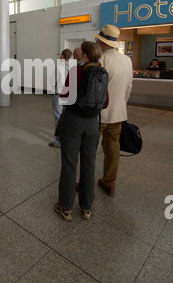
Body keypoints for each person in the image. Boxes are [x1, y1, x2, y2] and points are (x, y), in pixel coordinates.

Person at [54, 41, 109, 222]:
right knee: (89, 165)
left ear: (85, 56)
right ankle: (86, 208)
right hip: (93, 123)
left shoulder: (77, 71)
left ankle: (66, 207)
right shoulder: (102, 73)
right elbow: (105, 103)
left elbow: (64, 96)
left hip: (74, 122)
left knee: (70, 164)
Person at [94, 25, 133, 197]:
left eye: (97, 40)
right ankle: (109, 184)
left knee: (90, 150)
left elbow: (94, 90)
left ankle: (87, 184)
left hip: (99, 115)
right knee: (112, 150)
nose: (96, 42)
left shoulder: (101, 60)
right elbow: (129, 86)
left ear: (101, 43)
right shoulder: (127, 60)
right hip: (118, 114)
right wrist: (121, 105)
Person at [49, 49, 73, 149]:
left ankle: (58, 142)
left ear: (62, 56)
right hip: (70, 95)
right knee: (67, 118)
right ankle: (67, 139)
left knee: (58, 118)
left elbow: (52, 81)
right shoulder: (73, 67)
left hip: (59, 95)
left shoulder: (58, 67)